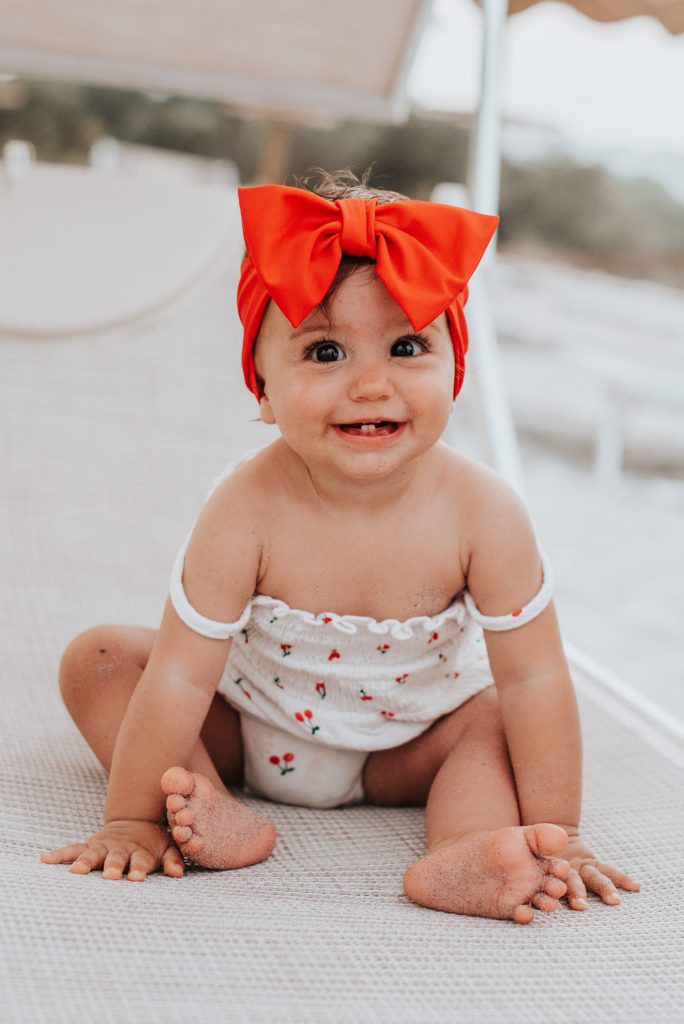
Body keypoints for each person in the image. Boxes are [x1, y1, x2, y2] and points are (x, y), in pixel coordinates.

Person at [41, 168, 640, 924]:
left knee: (492, 718)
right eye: (326, 353)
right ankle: (207, 805)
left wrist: (564, 831)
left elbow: (535, 680)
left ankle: (466, 848)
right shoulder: (244, 508)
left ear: (454, 369)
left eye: (406, 346)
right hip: (246, 727)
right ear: (263, 388)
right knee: (98, 661)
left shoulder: (485, 513)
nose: (370, 385)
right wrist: (128, 817)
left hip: (409, 749)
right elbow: (182, 678)